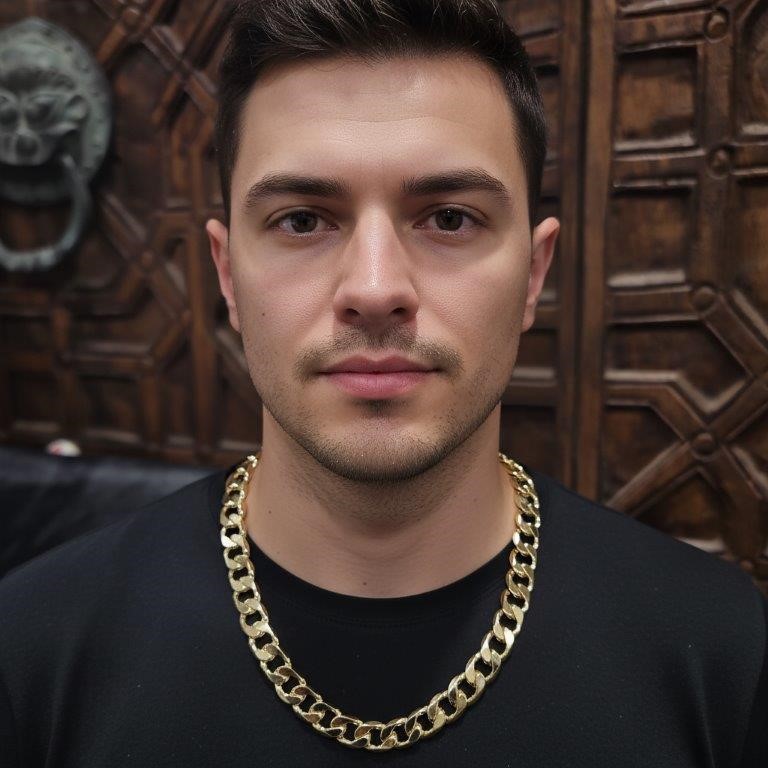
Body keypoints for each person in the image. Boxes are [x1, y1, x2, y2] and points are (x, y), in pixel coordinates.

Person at [1, 0, 765, 764]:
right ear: (228, 275)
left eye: (450, 218)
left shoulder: (725, 655)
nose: (374, 289)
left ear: (534, 276)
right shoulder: (31, 649)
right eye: (303, 220)